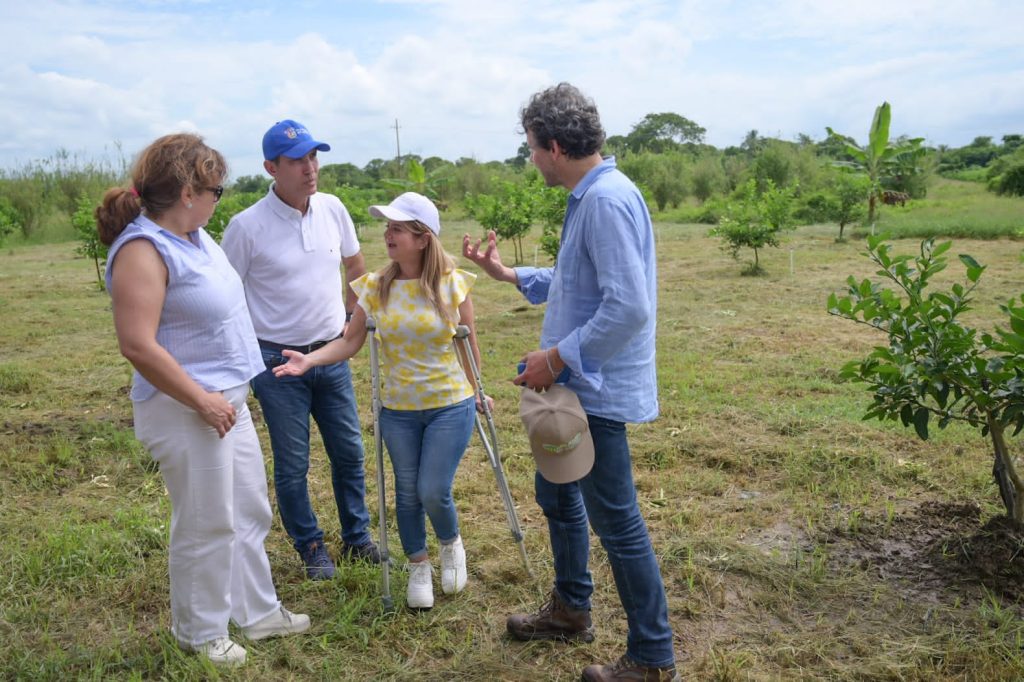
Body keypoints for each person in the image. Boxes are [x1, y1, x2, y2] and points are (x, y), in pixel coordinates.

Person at [462, 83, 679, 682]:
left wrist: (555, 360)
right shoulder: (593, 195)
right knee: (558, 496)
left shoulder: (605, 200)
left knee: (616, 520)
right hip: (573, 390)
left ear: (554, 146)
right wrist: (510, 275)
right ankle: (570, 609)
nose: (530, 159)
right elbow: (576, 276)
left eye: (531, 148)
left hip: (592, 392)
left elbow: (627, 307)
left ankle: (653, 658)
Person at [97, 133, 310, 667]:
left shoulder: (197, 236)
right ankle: (200, 631)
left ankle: (257, 613)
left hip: (225, 403)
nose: (221, 199)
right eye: (217, 189)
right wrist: (202, 400)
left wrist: (226, 397)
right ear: (189, 190)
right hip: (187, 407)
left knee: (248, 510)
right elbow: (137, 344)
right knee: (205, 519)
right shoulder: (143, 250)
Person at [274, 192, 486, 610]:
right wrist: (309, 359)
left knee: (431, 489)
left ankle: (450, 543)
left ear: (423, 238)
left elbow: (468, 343)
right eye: (387, 227)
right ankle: (418, 566)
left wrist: (479, 390)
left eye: (397, 229)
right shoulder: (375, 287)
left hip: (449, 403)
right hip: (398, 411)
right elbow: (349, 342)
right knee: (406, 493)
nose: (387, 234)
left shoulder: (452, 284)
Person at [221, 120, 382, 580]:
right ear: (272, 168)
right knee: (294, 461)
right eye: (297, 161)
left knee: (349, 451)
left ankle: (357, 538)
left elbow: (354, 261)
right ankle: (311, 545)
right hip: (276, 361)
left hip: (331, 352)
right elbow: (226, 295)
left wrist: (354, 316)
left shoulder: (332, 208)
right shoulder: (246, 227)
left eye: (314, 157)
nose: (310, 168)